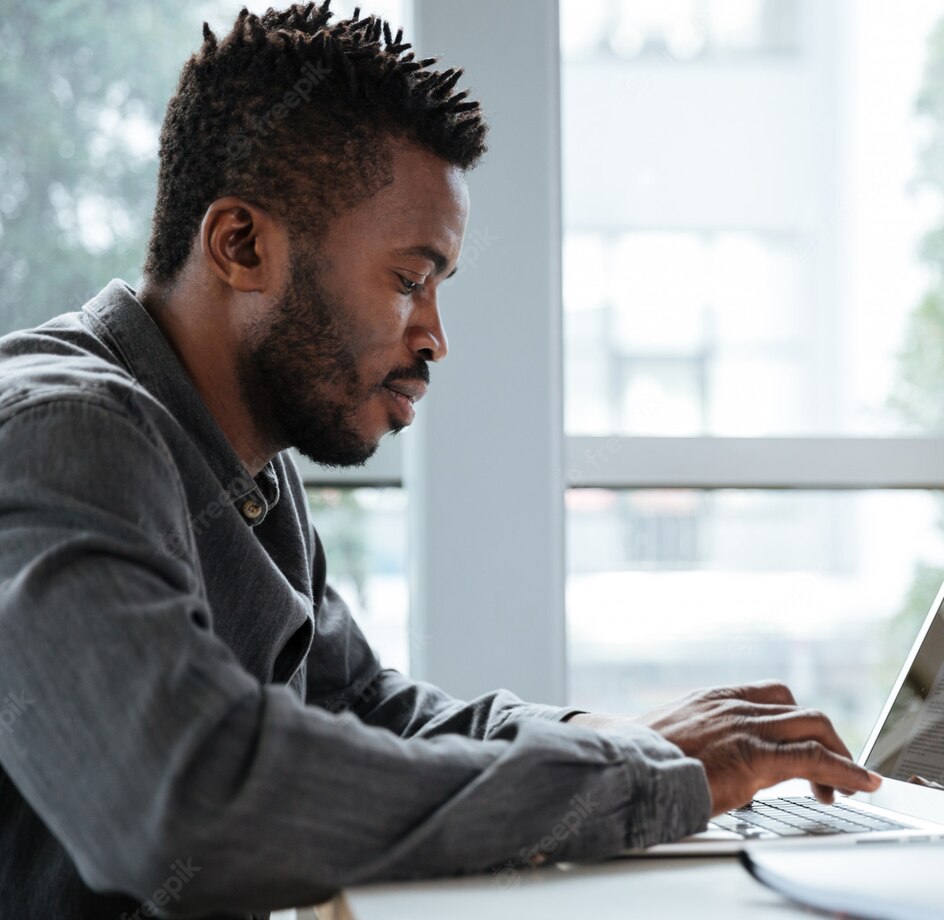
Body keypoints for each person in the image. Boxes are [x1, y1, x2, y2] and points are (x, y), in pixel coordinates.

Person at [0, 4, 880, 917]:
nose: (435, 337)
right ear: (242, 245)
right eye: (408, 279)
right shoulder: (61, 432)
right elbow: (184, 802)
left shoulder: (247, 467)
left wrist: (623, 738)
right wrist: (632, 780)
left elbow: (368, 708)